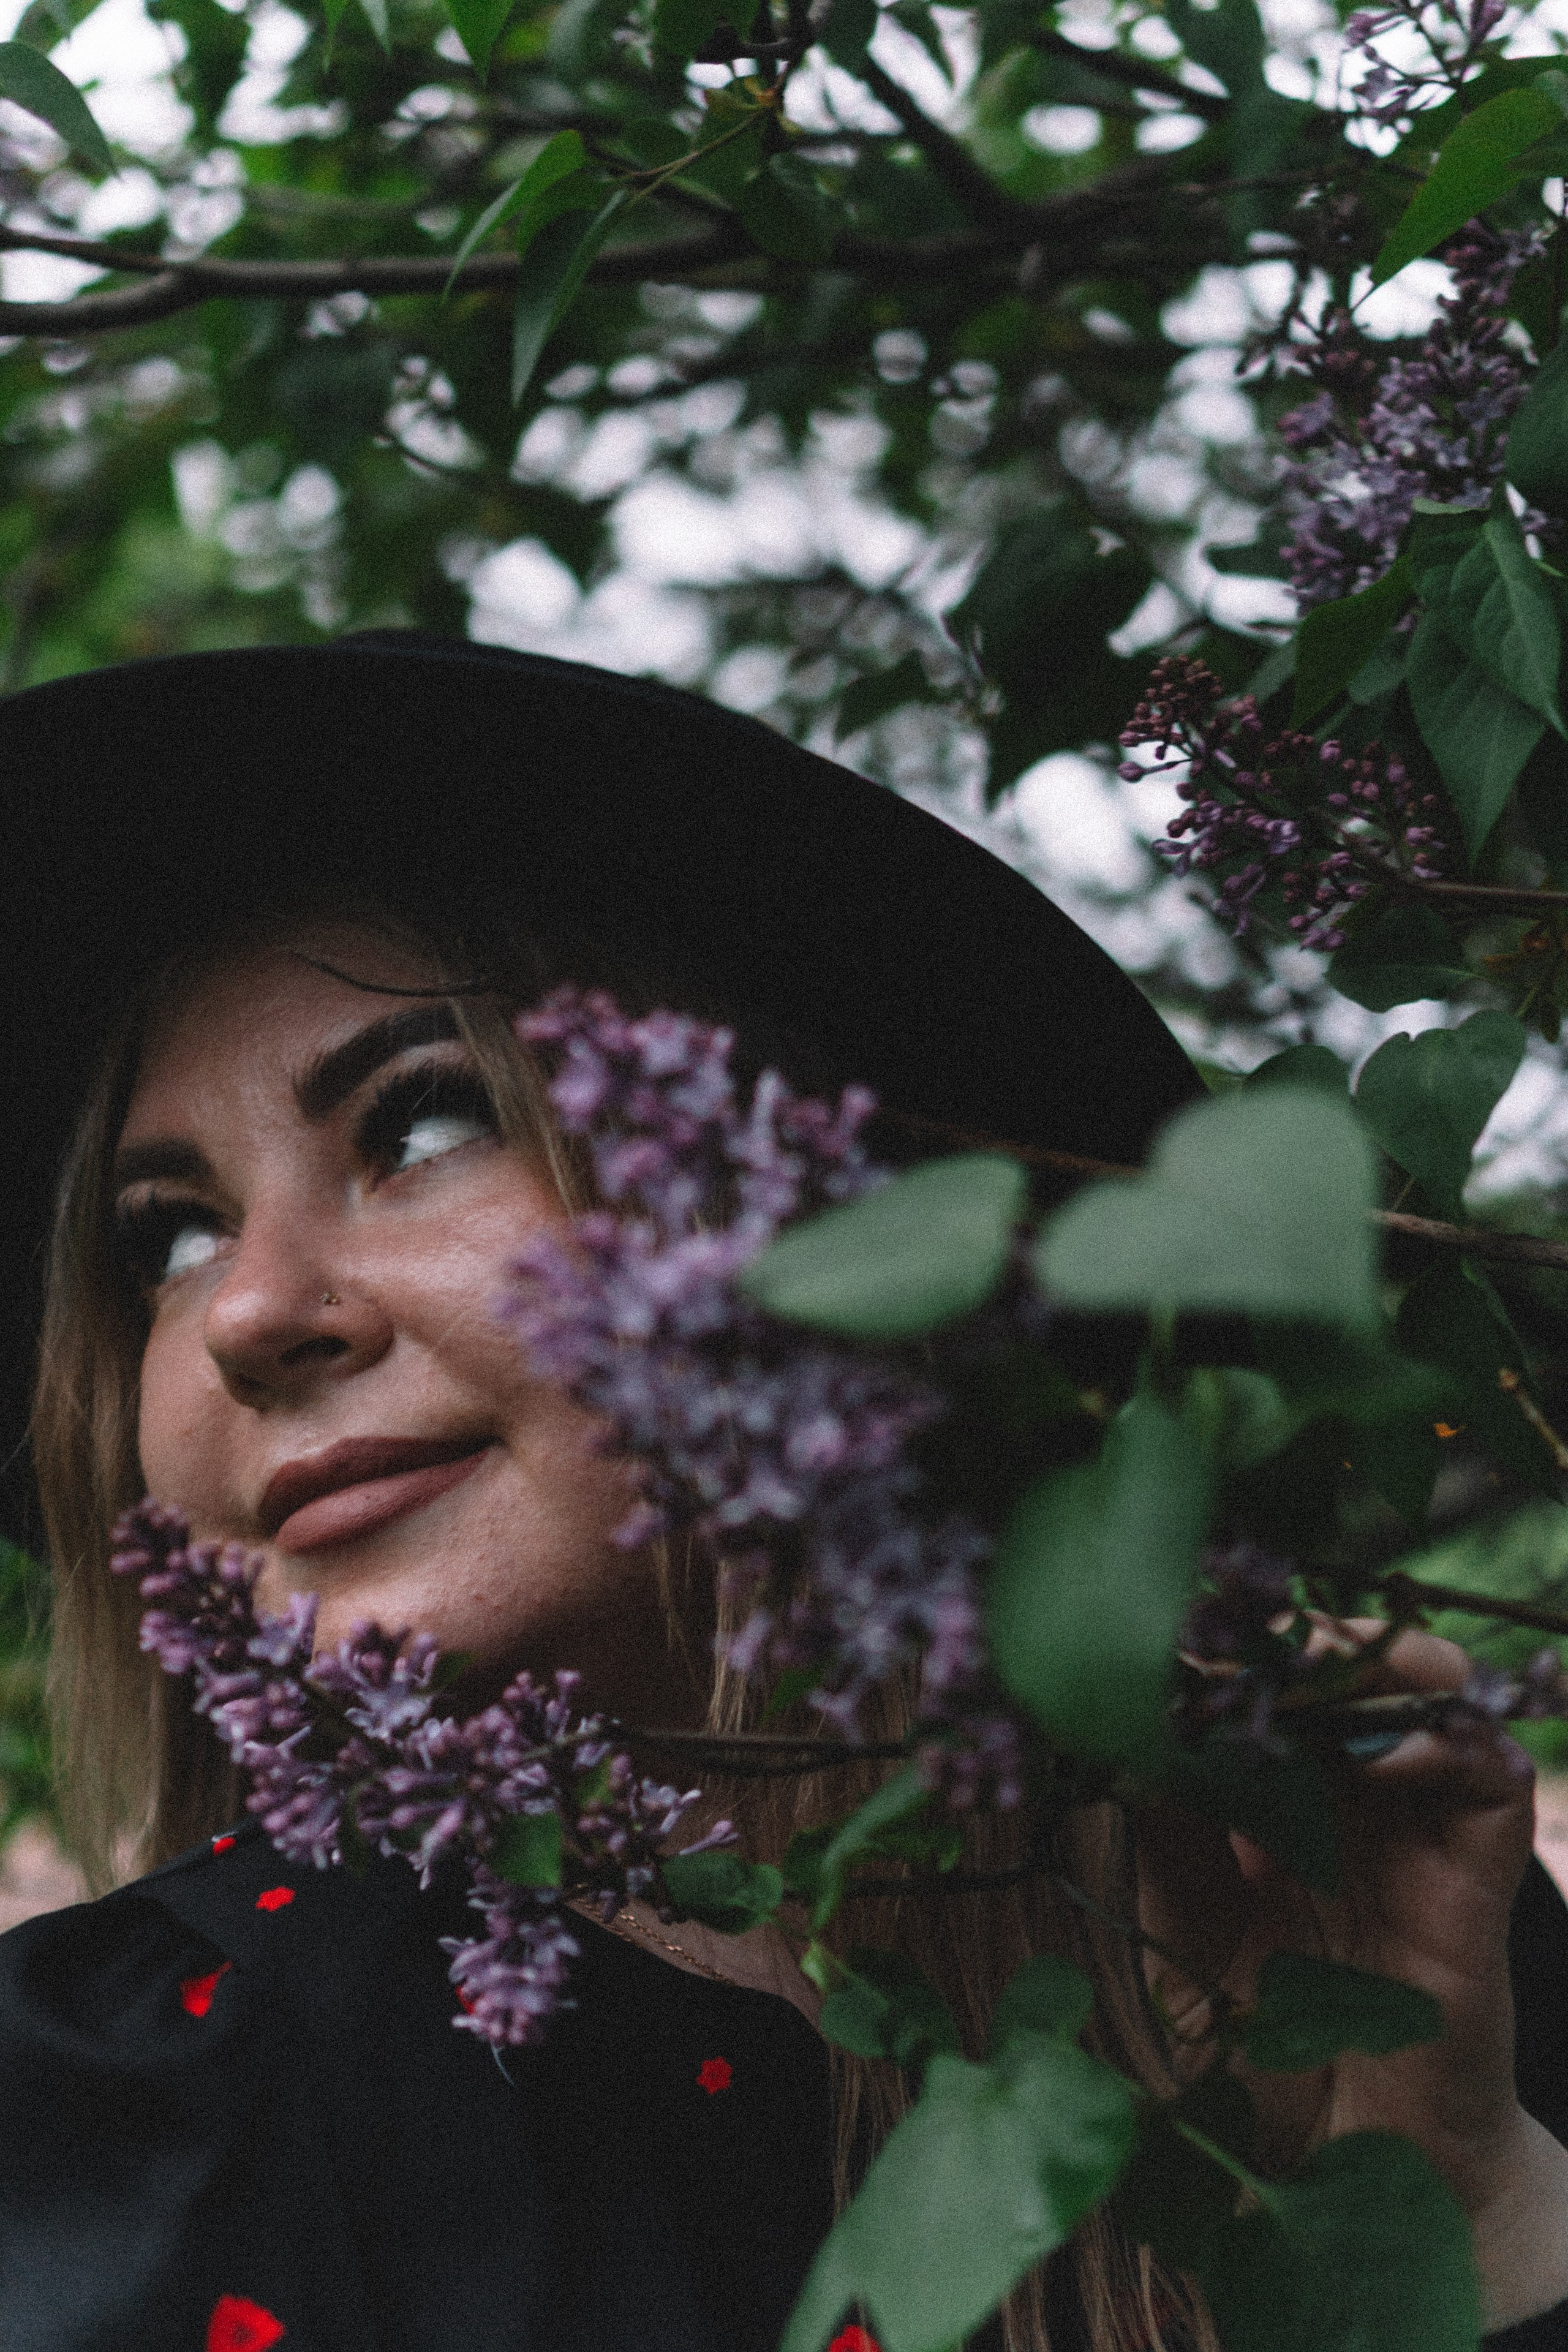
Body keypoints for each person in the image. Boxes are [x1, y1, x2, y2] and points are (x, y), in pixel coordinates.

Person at [0, 633, 1565, 2352]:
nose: (247, 1314)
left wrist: (1463, 2207)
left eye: (425, 1123)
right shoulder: (128, 2120)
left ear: (819, 1228)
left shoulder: (1384, 1915)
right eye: (167, 1236)